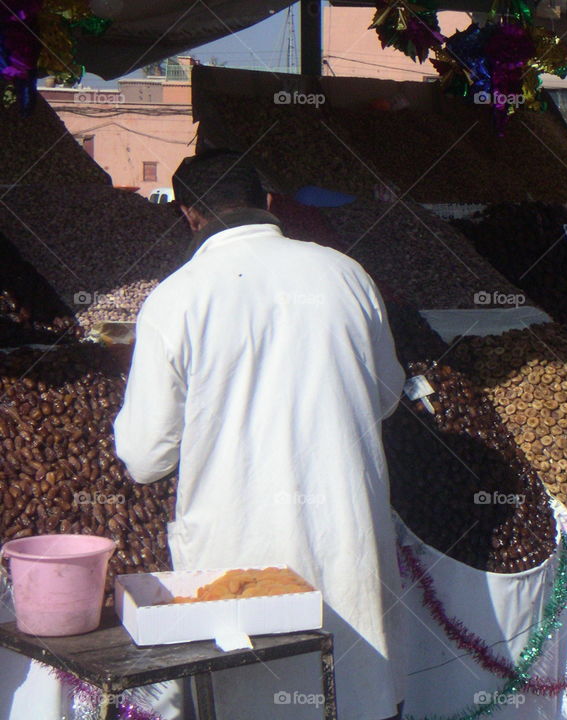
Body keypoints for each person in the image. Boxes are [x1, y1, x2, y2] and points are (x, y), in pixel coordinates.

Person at [114, 150, 407, 720]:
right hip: (348, 546)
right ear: (269, 203)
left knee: (261, 702)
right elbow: (386, 397)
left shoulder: (176, 299)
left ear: (189, 216)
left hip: (242, 567)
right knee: (353, 697)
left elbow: (146, 457)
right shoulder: (346, 274)